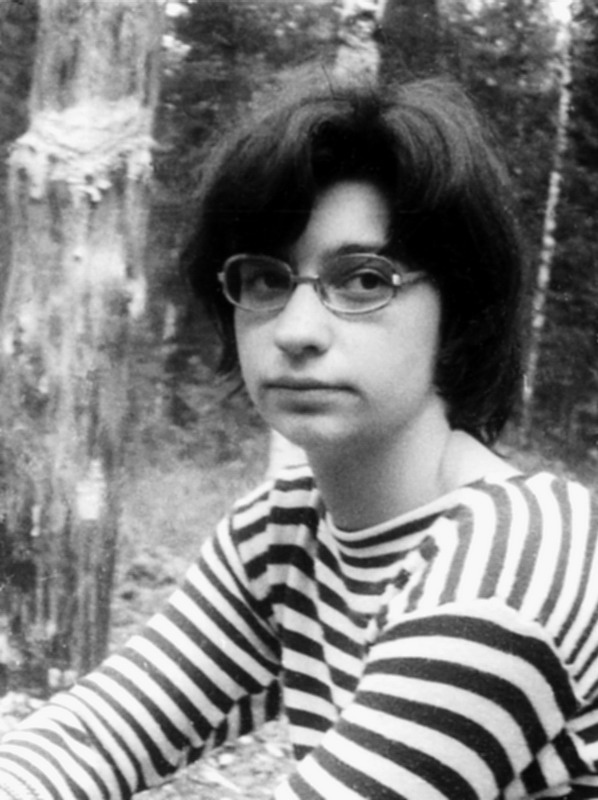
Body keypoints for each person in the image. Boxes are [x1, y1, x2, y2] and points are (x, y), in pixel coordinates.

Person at [1, 73, 598, 800]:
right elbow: (95, 739)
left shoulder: (514, 564)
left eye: (364, 280)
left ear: (461, 312)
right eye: (264, 280)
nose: (296, 330)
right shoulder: (283, 536)